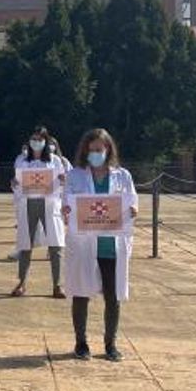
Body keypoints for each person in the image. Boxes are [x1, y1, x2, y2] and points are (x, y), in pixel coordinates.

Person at [63, 128, 137, 362]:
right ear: (85, 151)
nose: (95, 153)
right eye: (91, 150)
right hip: (84, 245)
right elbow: (67, 202)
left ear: (108, 150)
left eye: (100, 149)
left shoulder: (122, 176)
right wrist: (66, 210)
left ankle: (110, 344)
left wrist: (133, 209)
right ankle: (81, 342)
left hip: (111, 246)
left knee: (113, 296)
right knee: (80, 293)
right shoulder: (74, 176)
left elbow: (132, 200)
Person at [11, 127, 67, 298]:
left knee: (55, 245)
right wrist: (14, 182)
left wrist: (63, 180)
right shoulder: (21, 160)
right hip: (28, 204)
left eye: (39, 139)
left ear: (45, 141)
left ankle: (57, 285)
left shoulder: (55, 161)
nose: (36, 142)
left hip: (49, 204)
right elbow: (16, 181)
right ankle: (22, 283)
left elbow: (63, 181)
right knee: (25, 244)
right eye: (33, 139)